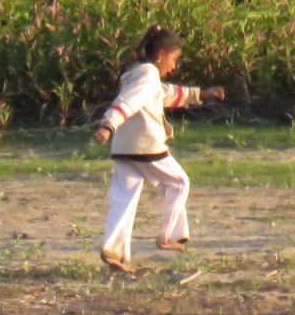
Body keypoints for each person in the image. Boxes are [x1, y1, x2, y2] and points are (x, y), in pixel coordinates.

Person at [93, 26, 225, 272]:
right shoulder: (148, 74)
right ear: (161, 54)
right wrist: (108, 125)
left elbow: (167, 94)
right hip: (146, 145)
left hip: (123, 147)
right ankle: (169, 236)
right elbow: (128, 101)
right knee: (179, 182)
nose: (173, 67)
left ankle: (114, 251)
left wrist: (201, 94)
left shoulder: (137, 74)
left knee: (124, 197)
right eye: (174, 59)